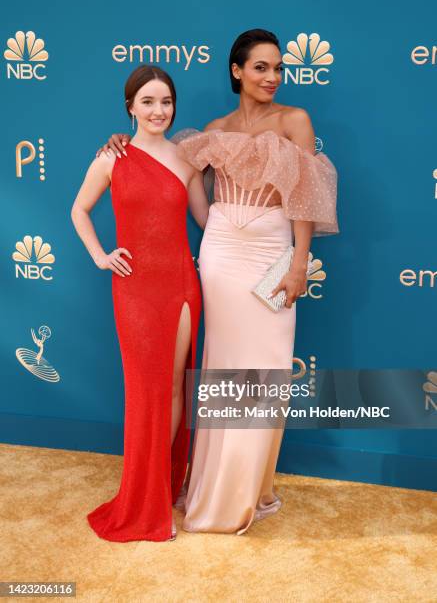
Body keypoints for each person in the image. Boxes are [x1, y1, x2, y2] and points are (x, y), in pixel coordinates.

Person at [99, 28, 338, 535]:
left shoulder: (295, 121)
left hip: (272, 250)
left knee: (267, 368)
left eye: (278, 68)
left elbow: (306, 200)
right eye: (260, 67)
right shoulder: (213, 128)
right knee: (221, 367)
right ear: (237, 71)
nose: (272, 77)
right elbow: (166, 171)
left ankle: (253, 488)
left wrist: (299, 262)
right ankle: (210, 486)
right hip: (221, 253)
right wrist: (120, 140)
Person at [71, 65, 208, 542]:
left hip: (182, 286)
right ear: (130, 107)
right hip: (134, 291)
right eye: (147, 102)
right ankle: (142, 502)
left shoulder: (187, 158)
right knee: (144, 395)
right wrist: (100, 256)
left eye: (166, 101)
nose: (158, 111)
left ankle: (158, 493)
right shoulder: (112, 157)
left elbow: (206, 220)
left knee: (173, 391)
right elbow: (78, 209)